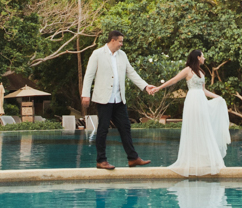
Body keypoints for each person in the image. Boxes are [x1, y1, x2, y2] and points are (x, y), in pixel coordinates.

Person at [81, 30, 154, 170]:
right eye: (120, 41)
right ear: (113, 40)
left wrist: (145, 86)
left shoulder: (122, 55)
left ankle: (133, 158)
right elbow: (89, 75)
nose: (122, 44)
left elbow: (131, 72)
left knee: (125, 127)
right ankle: (101, 160)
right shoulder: (97, 54)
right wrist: (86, 94)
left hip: (119, 99)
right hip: (103, 99)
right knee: (103, 129)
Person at [150, 49, 230, 177]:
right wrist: (158, 88)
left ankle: (205, 160)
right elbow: (174, 80)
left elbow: (204, 90)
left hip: (201, 100)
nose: (204, 58)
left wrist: (217, 97)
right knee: (193, 128)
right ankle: (192, 160)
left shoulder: (201, 72)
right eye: (203, 56)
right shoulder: (188, 70)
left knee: (203, 128)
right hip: (192, 101)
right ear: (198, 57)